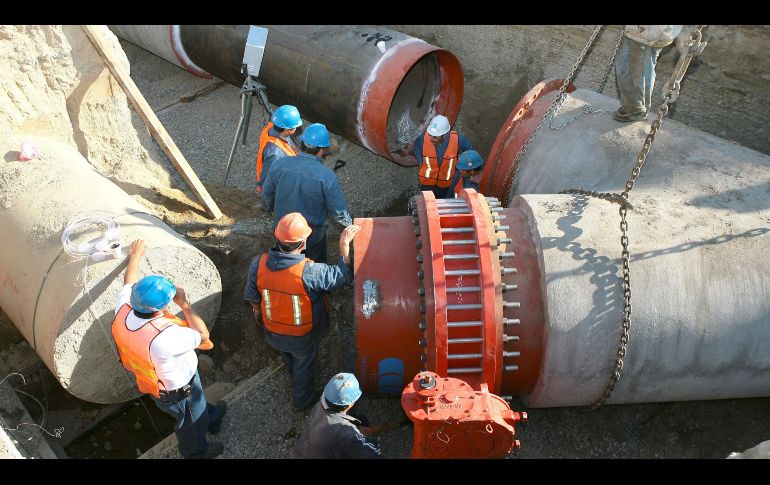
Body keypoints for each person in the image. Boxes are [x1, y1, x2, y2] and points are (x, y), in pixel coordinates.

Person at [111, 239, 226, 459]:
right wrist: (184, 304)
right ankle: (196, 451)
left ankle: (211, 416)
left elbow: (129, 280)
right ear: (162, 307)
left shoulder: (124, 308)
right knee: (189, 421)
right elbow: (203, 336)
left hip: (156, 382)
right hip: (178, 390)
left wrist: (136, 255)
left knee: (196, 408)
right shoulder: (164, 337)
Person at [244, 213, 361, 411]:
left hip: (272, 329)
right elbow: (341, 276)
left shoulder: (258, 263)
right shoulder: (309, 271)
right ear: (303, 242)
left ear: (277, 238)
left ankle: (293, 376)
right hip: (301, 337)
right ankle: (302, 400)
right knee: (303, 365)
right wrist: (344, 245)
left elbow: (253, 297)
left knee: (288, 356)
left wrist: (258, 313)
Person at [261, 123, 352, 264]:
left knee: (286, 264)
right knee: (314, 266)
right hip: (313, 234)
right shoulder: (326, 176)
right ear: (322, 150)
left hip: (284, 229)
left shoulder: (280, 164)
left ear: (302, 143)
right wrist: (348, 229)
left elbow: (267, 194)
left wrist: (270, 210)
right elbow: (338, 211)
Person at [291, 372, 397, 459]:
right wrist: (361, 439)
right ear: (350, 404)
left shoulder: (320, 405)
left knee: (361, 420)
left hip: (301, 453)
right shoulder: (345, 436)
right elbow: (372, 454)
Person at [614, 25, 695, 122]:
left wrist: (686, 31)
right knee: (624, 66)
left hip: (652, 32)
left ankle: (637, 109)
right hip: (635, 30)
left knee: (638, 70)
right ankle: (632, 107)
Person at [414, 114, 473, 199]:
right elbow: (417, 147)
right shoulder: (423, 139)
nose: (431, 138)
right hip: (427, 183)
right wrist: (420, 161)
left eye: (435, 137)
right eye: (430, 134)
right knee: (428, 203)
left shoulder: (458, 140)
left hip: (447, 184)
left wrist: (463, 167)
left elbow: (469, 152)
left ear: (444, 135)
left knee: (446, 202)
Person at [255, 104, 301, 193]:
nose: (296, 128)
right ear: (288, 129)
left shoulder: (271, 127)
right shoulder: (275, 153)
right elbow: (267, 182)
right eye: (295, 126)